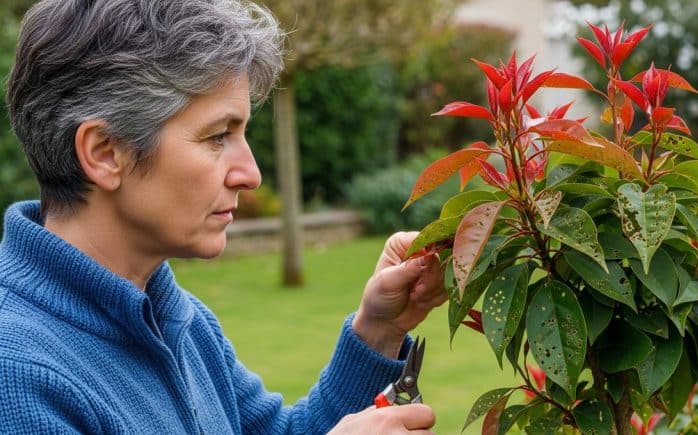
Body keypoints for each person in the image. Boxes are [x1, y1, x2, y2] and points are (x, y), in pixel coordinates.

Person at [0, 0, 447, 433]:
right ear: (105, 153)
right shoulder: (17, 371)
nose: (250, 174)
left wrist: (378, 329)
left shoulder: (181, 320)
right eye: (217, 136)